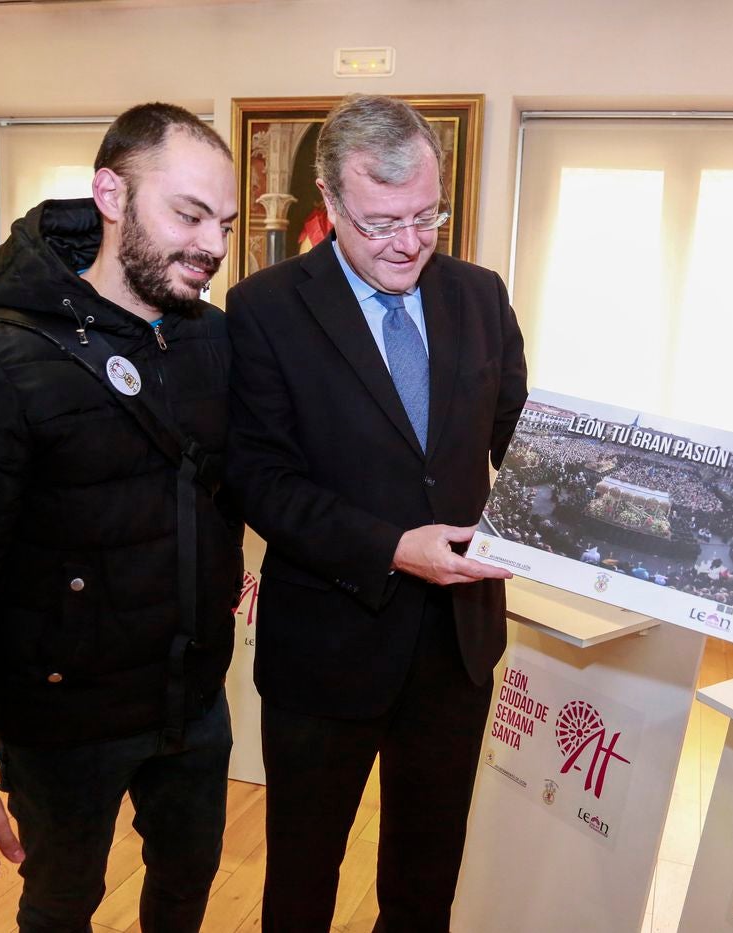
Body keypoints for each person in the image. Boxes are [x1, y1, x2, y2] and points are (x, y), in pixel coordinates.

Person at [0, 103, 243, 931]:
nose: (212, 247)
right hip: (60, 725)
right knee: (61, 904)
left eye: (223, 224)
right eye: (188, 214)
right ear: (110, 195)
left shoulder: (213, 342)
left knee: (187, 886)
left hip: (193, 703)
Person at [222, 93, 528, 932]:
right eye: (381, 222)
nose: (408, 242)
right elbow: (260, 479)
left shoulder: (480, 296)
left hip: (457, 645)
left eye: (427, 216)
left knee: (427, 879)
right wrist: (392, 545)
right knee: (304, 876)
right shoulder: (265, 310)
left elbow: (519, 440)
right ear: (328, 201)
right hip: (328, 646)